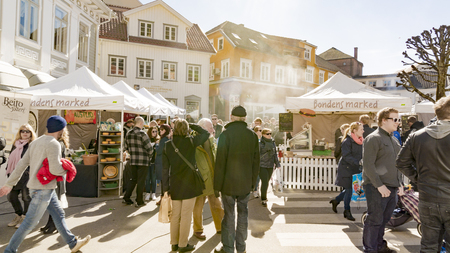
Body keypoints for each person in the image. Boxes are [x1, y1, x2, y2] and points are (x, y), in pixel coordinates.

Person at [0, 115, 91, 253]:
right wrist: (67, 169)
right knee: (30, 222)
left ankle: (73, 244)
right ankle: (9, 250)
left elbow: (21, 165)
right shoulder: (53, 143)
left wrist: (9, 184)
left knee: (59, 214)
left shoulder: (35, 142)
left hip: (42, 189)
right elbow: (55, 169)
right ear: (60, 129)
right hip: (42, 190)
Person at [396, 96, 450, 253]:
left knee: (429, 246)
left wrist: (419, 178)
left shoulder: (416, 136)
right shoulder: (416, 136)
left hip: (427, 198)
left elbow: (401, 163)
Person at [214, 105, 260, 253]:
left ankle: (228, 248)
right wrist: (253, 183)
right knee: (243, 215)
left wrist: (217, 185)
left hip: (228, 183)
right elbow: (256, 162)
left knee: (229, 216)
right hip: (245, 183)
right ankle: (241, 247)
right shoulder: (252, 135)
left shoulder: (225, 134)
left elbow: (220, 162)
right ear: (245, 118)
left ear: (232, 117)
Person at [162, 119, 209, 252]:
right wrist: (191, 125)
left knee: (176, 215)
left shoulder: (167, 145)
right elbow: (206, 133)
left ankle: (174, 243)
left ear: (173, 129)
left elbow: (165, 170)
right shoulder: (191, 141)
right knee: (186, 214)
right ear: (187, 129)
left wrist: (165, 189)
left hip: (175, 183)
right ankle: (183, 245)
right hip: (190, 183)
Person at [362, 107, 402, 253]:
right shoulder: (373, 138)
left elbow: (397, 164)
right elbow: (368, 165)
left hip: (392, 187)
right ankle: (370, 249)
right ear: (383, 120)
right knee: (374, 220)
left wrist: (400, 185)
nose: (398, 122)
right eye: (395, 119)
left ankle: (379, 246)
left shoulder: (394, 140)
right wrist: (379, 185)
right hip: (376, 187)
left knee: (384, 221)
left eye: (399, 119)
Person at [192, 118, 224, 240]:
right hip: (200, 178)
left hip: (212, 176)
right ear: (202, 128)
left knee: (216, 204)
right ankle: (198, 229)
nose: (213, 129)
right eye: (210, 127)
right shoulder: (194, 140)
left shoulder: (211, 139)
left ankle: (220, 227)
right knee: (198, 206)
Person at [329, 122, 364, 221]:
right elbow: (346, 156)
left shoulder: (361, 141)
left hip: (355, 168)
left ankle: (336, 200)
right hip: (346, 169)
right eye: (361, 129)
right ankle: (347, 211)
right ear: (354, 131)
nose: (363, 131)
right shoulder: (347, 141)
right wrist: (358, 162)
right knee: (349, 189)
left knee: (351, 189)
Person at [5, 124, 36, 229]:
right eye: (22, 131)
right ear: (20, 132)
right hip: (14, 174)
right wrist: (8, 171)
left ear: (31, 133)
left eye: (27, 131)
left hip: (26, 175)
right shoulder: (16, 143)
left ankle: (25, 217)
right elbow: (10, 158)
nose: (25, 133)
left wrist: (28, 172)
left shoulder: (33, 144)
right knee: (11, 196)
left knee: (26, 197)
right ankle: (18, 215)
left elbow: (34, 160)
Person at [41, 127, 70, 234]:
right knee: (52, 201)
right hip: (54, 174)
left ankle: (55, 225)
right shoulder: (55, 142)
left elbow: (56, 161)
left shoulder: (59, 143)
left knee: (55, 201)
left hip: (56, 175)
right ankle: (50, 223)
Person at [123, 116, 153, 207]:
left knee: (133, 179)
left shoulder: (128, 133)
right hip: (143, 160)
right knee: (141, 181)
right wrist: (150, 157)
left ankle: (126, 197)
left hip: (133, 160)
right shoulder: (142, 134)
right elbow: (150, 148)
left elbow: (126, 147)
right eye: (143, 123)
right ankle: (139, 200)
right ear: (140, 123)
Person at [258, 128, 281, 207]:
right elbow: (256, 155)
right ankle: (263, 198)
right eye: (267, 134)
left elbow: (275, 154)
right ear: (263, 134)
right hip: (262, 165)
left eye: (270, 133)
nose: (269, 135)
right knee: (264, 181)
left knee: (267, 181)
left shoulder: (272, 142)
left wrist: (277, 164)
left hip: (270, 165)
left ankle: (263, 194)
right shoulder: (260, 143)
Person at [155, 124, 172, 206]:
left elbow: (159, 151)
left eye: (162, 129)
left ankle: (163, 199)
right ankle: (164, 198)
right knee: (164, 181)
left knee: (163, 181)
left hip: (161, 162)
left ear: (165, 130)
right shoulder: (167, 139)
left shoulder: (163, 140)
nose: (160, 131)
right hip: (165, 162)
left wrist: (156, 145)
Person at [145, 126, 160, 201]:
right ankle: (147, 193)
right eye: (153, 131)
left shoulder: (158, 140)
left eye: (156, 131)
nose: (155, 133)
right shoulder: (147, 139)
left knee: (154, 179)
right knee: (147, 178)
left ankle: (154, 193)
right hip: (147, 162)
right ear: (150, 132)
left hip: (154, 162)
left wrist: (156, 145)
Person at [252, 125, 262, 198]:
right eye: (260, 130)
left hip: (262, 161)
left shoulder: (262, 140)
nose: (261, 132)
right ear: (256, 131)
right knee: (257, 176)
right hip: (254, 161)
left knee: (259, 177)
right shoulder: (253, 140)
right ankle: (255, 190)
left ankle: (256, 188)